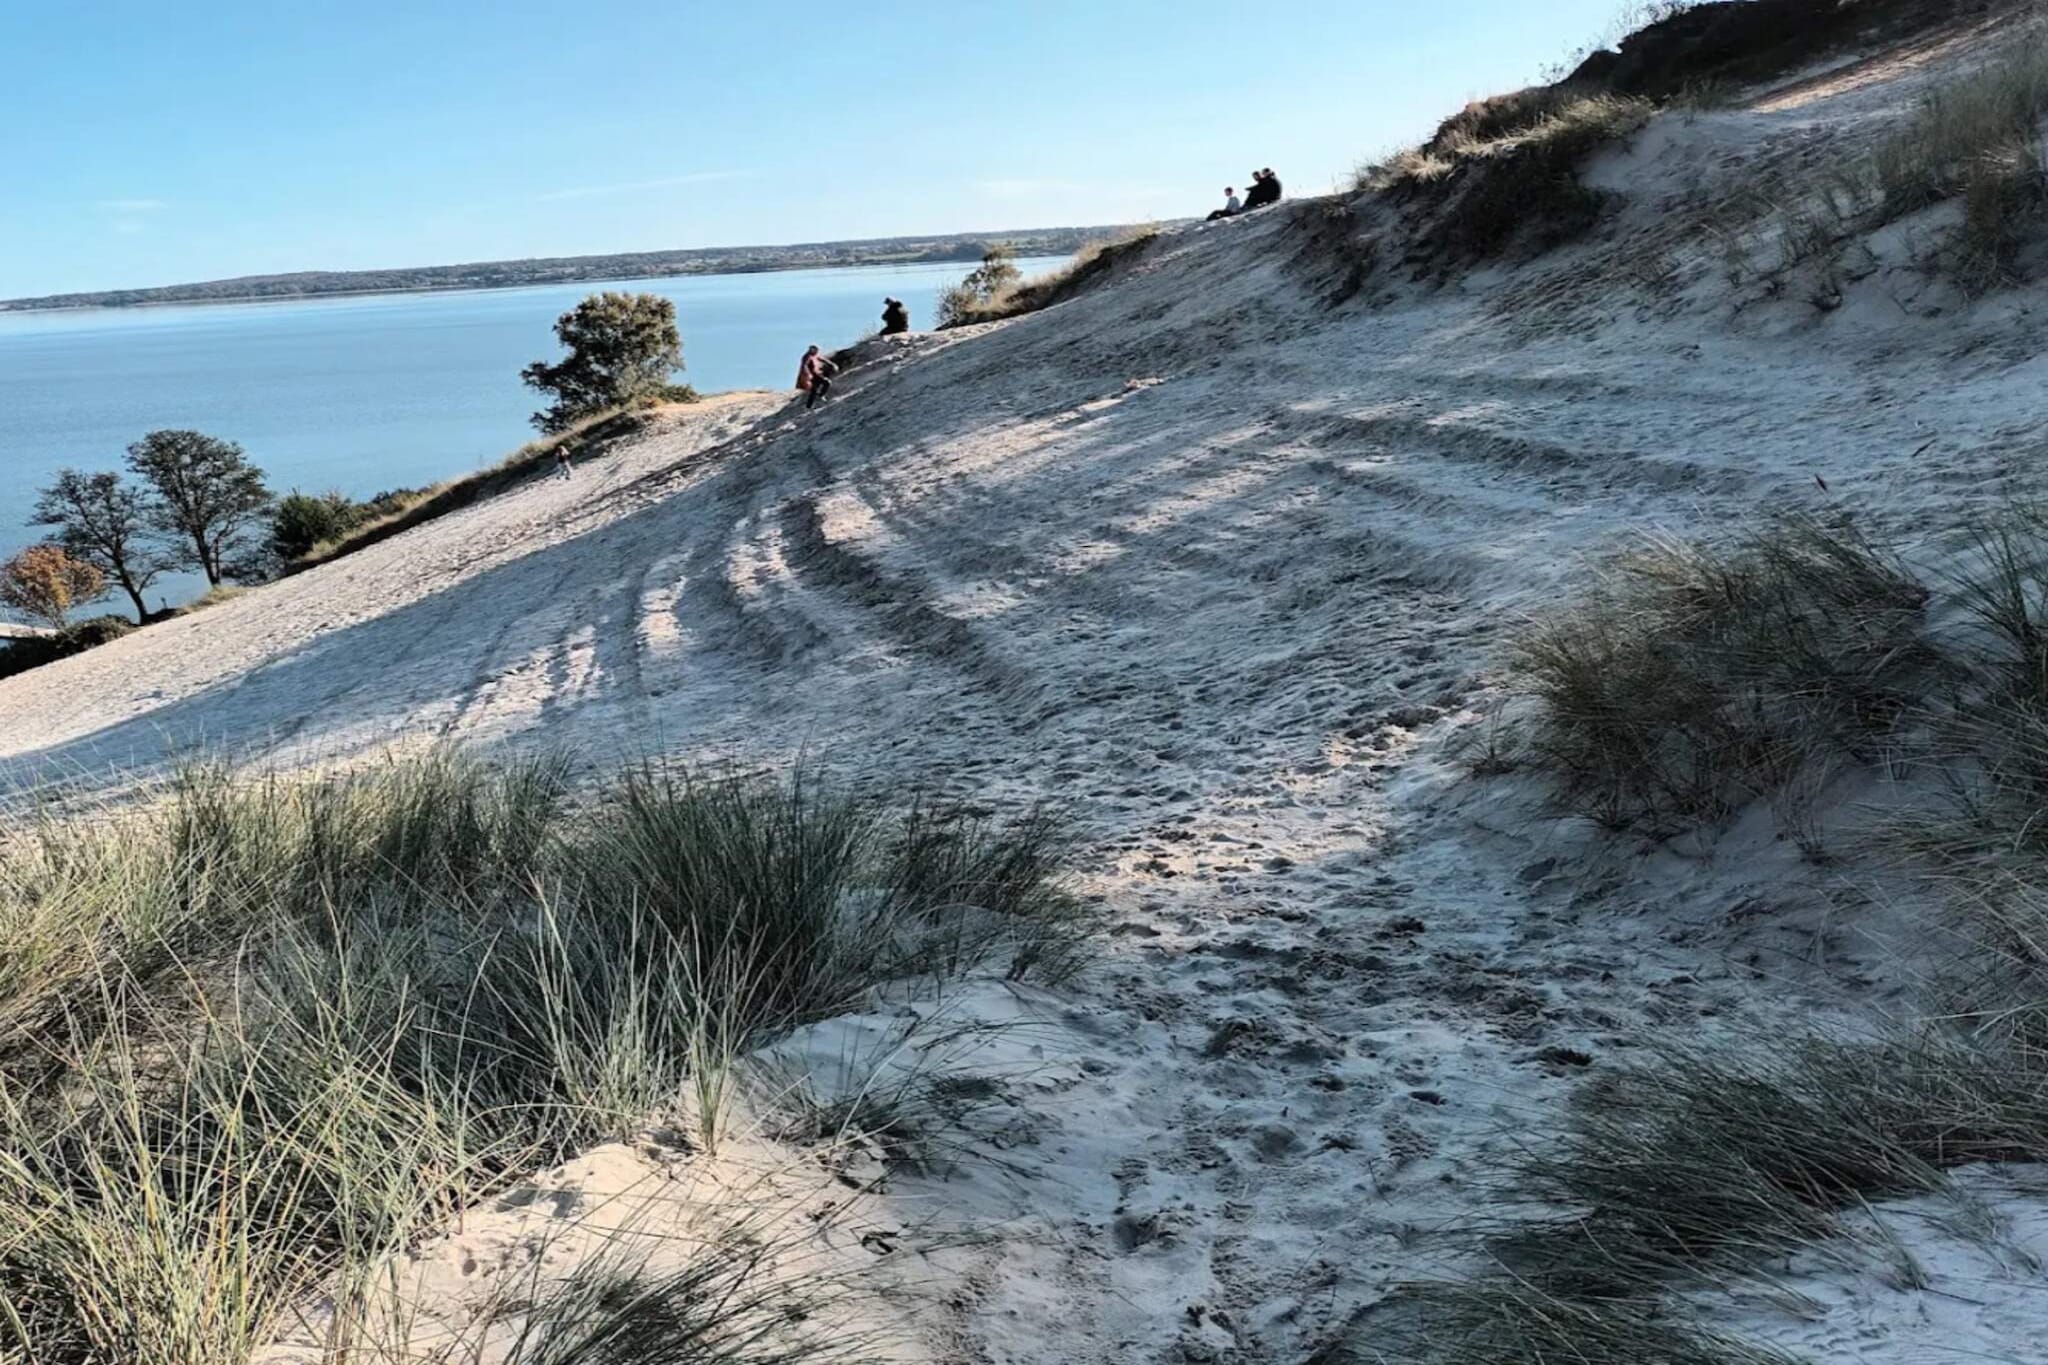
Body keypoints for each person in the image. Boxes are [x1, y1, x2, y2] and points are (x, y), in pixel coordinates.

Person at [796, 344, 838, 410]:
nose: (817, 351)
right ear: (811, 349)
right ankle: (820, 397)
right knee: (826, 382)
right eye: (816, 350)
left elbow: (823, 359)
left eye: (817, 350)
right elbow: (804, 366)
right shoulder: (807, 356)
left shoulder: (815, 355)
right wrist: (808, 374)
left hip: (817, 374)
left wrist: (832, 364)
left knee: (814, 390)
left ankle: (808, 406)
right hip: (812, 376)